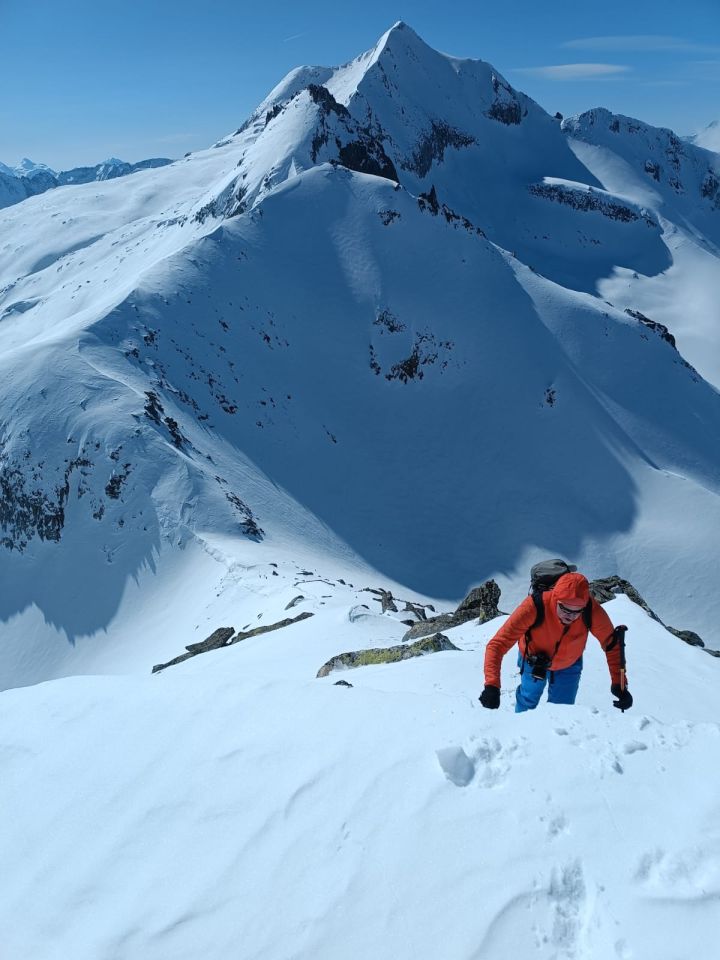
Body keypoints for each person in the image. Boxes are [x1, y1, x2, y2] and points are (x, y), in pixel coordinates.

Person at [478, 572, 633, 713]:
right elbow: (498, 644)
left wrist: (619, 684)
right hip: (533, 660)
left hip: (569, 663)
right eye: (565, 609)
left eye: (577, 611)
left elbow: (612, 644)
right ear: (555, 599)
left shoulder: (590, 609)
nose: (570, 616)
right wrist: (492, 685)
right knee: (527, 700)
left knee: (562, 710)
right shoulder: (535, 605)